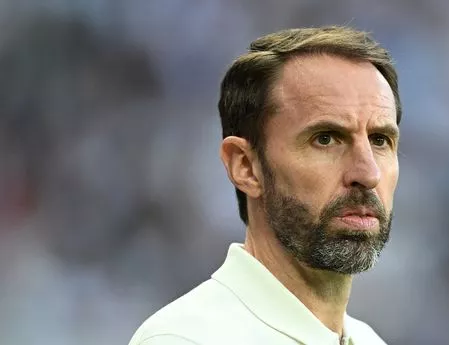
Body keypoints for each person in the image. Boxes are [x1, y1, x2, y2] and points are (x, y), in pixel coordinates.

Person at [128, 25, 402, 345]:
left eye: (380, 140)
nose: (368, 174)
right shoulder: (184, 338)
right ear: (245, 166)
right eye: (325, 139)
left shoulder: (369, 341)